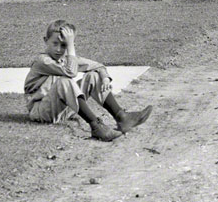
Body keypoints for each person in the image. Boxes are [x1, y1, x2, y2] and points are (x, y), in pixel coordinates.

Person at [24, 19, 152, 142]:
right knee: (65, 81)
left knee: (93, 76)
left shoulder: (65, 59)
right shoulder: (42, 61)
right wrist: (70, 48)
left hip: (61, 110)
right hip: (41, 112)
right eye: (55, 44)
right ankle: (96, 126)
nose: (58, 50)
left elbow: (97, 66)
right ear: (45, 41)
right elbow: (71, 72)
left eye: (63, 45)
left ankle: (122, 117)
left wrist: (105, 77)